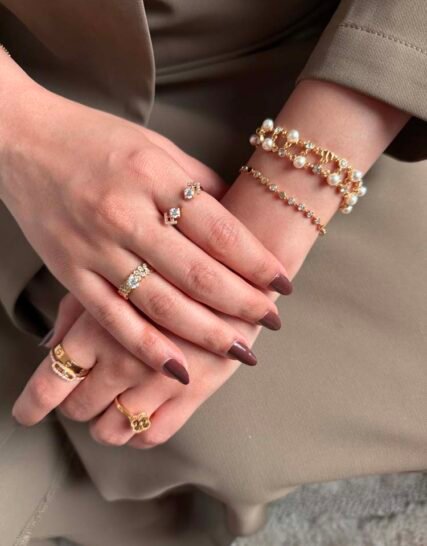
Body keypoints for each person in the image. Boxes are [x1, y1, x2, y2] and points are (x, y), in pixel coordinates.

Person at [1, 1, 426, 545]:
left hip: (331, 67)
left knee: (232, 428)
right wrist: (23, 135)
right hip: (29, 79)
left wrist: (265, 222)